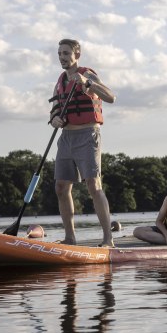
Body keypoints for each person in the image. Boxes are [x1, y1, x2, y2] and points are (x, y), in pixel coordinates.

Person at [49, 39, 116, 247]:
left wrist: (88, 84)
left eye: (66, 53)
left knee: (93, 185)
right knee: (61, 187)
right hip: (66, 138)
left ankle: (108, 239)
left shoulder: (87, 74)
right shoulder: (60, 81)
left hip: (87, 135)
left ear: (76, 55)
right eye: (60, 53)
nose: (62, 57)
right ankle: (70, 237)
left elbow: (111, 97)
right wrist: (55, 119)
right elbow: (54, 111)